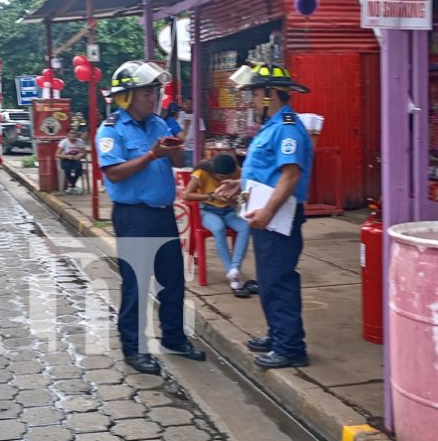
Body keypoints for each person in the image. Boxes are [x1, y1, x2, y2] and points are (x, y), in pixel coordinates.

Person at [96, 60, 206, 375]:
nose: (153, 96)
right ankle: (133, 348)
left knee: (173, 280)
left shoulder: (159, 124)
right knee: (137, 284)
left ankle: (173, 338)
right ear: (127, 95)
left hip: (162, 213)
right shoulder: (111, 129)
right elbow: (114, 174)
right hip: (133, 216)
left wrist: (174, 150)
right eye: (147, 91)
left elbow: (178, 155)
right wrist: (151, 155)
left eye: (154, 90)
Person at [216, 63, 313, 369]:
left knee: (279, 279)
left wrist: (268, 211)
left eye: (256, 93)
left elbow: (289, 176)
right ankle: (278, 335)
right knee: (269, 279)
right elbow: (264, 173)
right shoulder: (272, 126)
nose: (253, 99)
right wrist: (238, 184)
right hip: (264, 213)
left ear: (272, 94)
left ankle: (290, 347)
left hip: (277, 215)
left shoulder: (287, 127)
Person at [182, 153, 251, 298]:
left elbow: (245, 194)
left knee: (245, 227)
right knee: (218, 228)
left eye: (228, 177)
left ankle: (234, 270)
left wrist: (235, 199)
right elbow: (186, 195)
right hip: (207, 210)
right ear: (213, 172)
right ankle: (232, 274)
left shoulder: (237, 172)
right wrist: (211, 196)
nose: (225, 180)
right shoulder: (202, 173)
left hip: (228, 209)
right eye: (221, 177)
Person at [56, 128, 86, 194]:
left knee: (79, 168)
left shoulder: (80, 141)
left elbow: (84, 153)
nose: (73, 135)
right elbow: (57, 154)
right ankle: (73, 186)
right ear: (67, 134)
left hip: (75, 160)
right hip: (66, 160)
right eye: (71, 133)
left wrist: (79, 155)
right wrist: (67, 156)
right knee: (67, 168)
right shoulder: (64, 142)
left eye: (75, 133)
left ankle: (71, 186)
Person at [178, 97, 206, 167]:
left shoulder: (198, 118)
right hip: (179, 150)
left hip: (192, 151)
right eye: (187, 104)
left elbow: (202, 135)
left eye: (191, 104)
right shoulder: (178, 115)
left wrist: (201, 150)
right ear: (183, 104)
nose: (189, 106)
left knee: (189, 171)